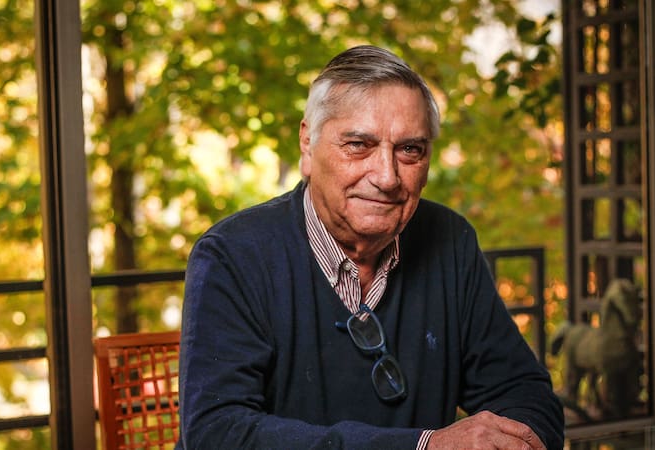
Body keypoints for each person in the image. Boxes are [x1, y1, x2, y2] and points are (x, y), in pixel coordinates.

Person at [178, 45, 564, 450]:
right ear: (307, 144)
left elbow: (527, 397)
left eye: (410, 150)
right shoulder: (232, 255)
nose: (387, 177)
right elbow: (217, 434)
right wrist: (423, 446)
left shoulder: (451, 241)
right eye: (359, 145)